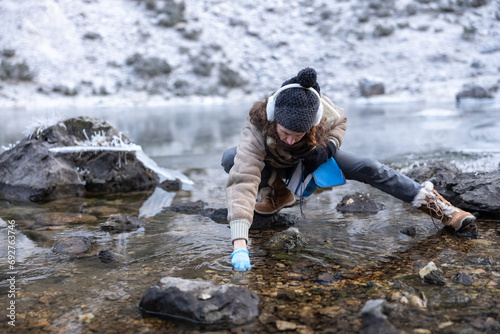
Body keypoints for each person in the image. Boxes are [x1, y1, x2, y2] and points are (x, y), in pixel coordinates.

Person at [221, 67, 476, 271]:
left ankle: (443, 210)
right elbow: (244, 178)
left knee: (369, 166)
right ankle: (279, 192)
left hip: (312, 157)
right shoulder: (258, 123)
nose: (289, 140)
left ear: (312, 126)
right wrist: (240, 243)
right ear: (274, 117)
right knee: (231, 158)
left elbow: (340, 122)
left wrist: (329, 147)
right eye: (285, 133)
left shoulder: (324, 111)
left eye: (297, 135)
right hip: (274, 164)